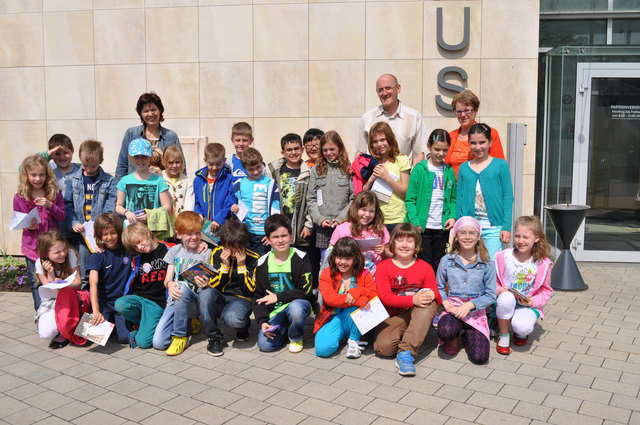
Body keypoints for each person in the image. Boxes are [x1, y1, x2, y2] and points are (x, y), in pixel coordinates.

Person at [374, 223, 441, 376]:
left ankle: (406, 353)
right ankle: (411, 333)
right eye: (400, 240)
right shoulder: (384, 266)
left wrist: (433, 295)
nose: (404, 245)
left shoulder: (424, 267)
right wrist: (412, 300)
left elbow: (437, 294)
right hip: (395, 315)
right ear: (392, 243)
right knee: (384, 348)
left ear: (416, 245)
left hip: (418, 312)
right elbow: (385, 298)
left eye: (409, 241)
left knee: (428, 304)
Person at [437, 217, 496, 365]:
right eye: (462, 233)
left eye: (472, 233)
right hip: (453, 309)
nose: (467, 237)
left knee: (480, 358)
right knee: (446, 331)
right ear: (456, 236)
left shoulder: (486, 262)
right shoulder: (447, 260)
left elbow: (491, 295)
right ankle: (454, 336)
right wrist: (447, 305)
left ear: (478, 237)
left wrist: (469, 305)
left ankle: (467, 333)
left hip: (475, 313)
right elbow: (439, 287)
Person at [254, 214, 314, 353]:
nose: (280, 240)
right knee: (265, 346)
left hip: (297, 305)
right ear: (268, 240)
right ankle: (283, 329)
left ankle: (295, 336)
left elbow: (305, 291)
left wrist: (278, 297)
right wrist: (263, 321)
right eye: (275, 237)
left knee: (296, 310)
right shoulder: (262, 263)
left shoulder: (301, 258)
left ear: (291, 236)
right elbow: (257, 296)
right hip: (275, 311)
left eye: (284, 236)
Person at [495, 216, 553, 355]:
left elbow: (546, 290)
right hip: (506, 300)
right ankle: (504, 335)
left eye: (526, 237)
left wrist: (532, 302)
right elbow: (493, 282)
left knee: (522, 327)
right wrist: (499, 289)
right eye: (517, 236)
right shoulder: (503, 257)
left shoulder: (542, 263)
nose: (521, 241)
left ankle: (519, 331)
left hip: (526, 303)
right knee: (506, 297)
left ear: (537, 238)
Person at [14, 155, 66, 311]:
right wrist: (28, 226)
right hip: (32, 247)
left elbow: (62, 216)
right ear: (26, 175)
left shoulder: (54, 193)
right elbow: (19, 220)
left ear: (47, 174)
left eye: (41, 174)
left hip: (52, 247)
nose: (38, 179)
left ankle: (57, 312)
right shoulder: (21, 196)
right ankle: (41, 313)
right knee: (35, 281)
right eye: (34, 175)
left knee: (55, 279)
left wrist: (50, 204)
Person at [456, 123, 514, 259]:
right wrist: (459, 225)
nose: (478, 147)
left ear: (490, 142)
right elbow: (459, 197)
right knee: (469, 264)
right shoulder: (464, 167)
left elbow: (507, 196)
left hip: (493, 228)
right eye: (473, 143)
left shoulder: (501, 165)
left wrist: (506, 226)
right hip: (469, 229)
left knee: (490, 264)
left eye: (482, 142)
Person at [64, 140, 117, 288]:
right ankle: (86, 305)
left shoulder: (109, 181)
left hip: (101, 233)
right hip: (81, 235)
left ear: (101, 161)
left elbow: (110, 206)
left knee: (104, 270)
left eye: (92, 166)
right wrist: (73, 222)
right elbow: (67, 205)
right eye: (84, 165)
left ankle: (101, 304)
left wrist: (99, 226)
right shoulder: (72, 179)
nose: (88, 169)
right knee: (85, 271)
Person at [314, 237, 378, 359]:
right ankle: (341, 336)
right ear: (334, 257)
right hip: (333, 317)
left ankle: (354, 340)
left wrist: (358, 291)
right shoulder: (327, 273)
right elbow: (330, 299)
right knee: (322, 349)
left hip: (356, 319)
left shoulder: (364, 274)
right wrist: (358, 300)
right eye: (339, 257)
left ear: (356, 258)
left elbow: (375, 296)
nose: (342, 262)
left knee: (355, 308)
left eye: (348, 258)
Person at [205, 219, 260, 356]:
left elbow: (250, 291)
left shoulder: (254, 258)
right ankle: (214, 337)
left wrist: (241, 266)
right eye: (230, 249)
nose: (234, 254)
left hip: (241, 298)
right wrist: (225, 266)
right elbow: (214, 285)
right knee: (204, 293)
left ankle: (243, 325)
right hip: (220, 295)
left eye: (238, 250)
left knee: (233, 318)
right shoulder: (217, 253)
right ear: (223, 245)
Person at [162, 212, 213, 356]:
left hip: (196, 298)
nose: (194, 237)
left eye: (197, 233)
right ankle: (190, 322)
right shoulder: (174, 251)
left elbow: (211, 281)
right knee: (159, 342)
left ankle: (180, 335)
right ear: (179, 235)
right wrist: (170, 284)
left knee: (183, 289)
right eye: (189, 234)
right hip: (176, 298)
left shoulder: (206, 251)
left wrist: (206, 282)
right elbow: (167, 279)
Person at [405, 129, 457, 272]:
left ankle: (436, 291)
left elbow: (453, 198)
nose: (440, 153)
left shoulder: (449, 171)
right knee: (424, 263)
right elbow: (410, 200)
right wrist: (415, 222)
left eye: (445, 150)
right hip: (423, 227)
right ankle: (425, 291)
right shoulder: (419, 169)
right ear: (429, 146)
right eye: (437, 149)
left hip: (441, 227)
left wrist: (452, 216)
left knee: (439, 263)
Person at [115, 222, 170, 348]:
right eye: (135, 246)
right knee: (121, 304)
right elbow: (114, 250)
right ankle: (145, 322)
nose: (140, 247)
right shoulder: (136, 256)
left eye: (140, 241)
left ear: (148, 233)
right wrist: (100, 247)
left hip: (156, 303)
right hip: (139, 298)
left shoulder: (168, 249)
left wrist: (202, 243)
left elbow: (186, 249)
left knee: (143, 343)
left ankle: (154, 323)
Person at [355, 74, 426, 166]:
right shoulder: (367, 118)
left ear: (398, 88)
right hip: (374, 177)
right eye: (380, 90)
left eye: (388, 88)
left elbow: (418, 154)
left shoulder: (414, 117)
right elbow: (360, 153)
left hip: (403, 178)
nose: (384, 93)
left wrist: (413, 179)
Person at [307, 131, 354, 263]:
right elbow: (311, 198)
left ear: (340, 148)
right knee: (326, 262)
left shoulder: (348, 169)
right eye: (325, 150)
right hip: (323, 226)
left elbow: (353, 198)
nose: (329, 153)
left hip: (343, 225)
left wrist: (341, 218)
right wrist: (319, 219)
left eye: (332, 149)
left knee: (345, 260)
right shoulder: (317, 169)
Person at [33, 230, 84, 349]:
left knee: (65, 321)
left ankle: (65, 330)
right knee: (46, 333)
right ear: (46, 254)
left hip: (71, 296)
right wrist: (50, 274)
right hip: (53, 299)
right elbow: (53, 293)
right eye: (57, 252)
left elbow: (78, 283)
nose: (63, 254)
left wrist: (63, 284)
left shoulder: (70, 254)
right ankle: (59, 326)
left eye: (64, 249)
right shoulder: (39, 264)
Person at [116, 92, 183, 181]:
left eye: (153, 109)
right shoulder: (131, 134)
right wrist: (120, 191)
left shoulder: (171, 136)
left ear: (160, 111)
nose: (150, 114)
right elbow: (122, 167)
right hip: (136, 189)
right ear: (141, 114)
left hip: (165, 190)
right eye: (146, 111)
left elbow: (182, 166)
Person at [87, 213, 131, 344]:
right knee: (96, 337)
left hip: (121, 301)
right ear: (99, 236)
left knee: (124, 339)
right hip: (104, 302)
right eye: (105, 234)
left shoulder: (127, 248)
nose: (110, 237)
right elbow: (92, 284)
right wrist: (96, 311)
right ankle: (110, 322)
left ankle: (118, 324)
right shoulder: (98, 256)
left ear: (119, 231)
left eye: (113, 233)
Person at [361, 122, 411, 233]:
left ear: (390, 139)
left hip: (397, 218)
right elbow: (362, 194)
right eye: (375, 141)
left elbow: (405, 192)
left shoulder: (401, 160)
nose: (379, 144)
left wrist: (387, 177)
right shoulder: (369, 162)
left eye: (383, 140)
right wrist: (371, 179)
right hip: (375, 219)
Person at [266, 133, 312, 249]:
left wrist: (309, 225)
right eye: (289, 150)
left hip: (301, 228)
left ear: (302, 149)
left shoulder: (308, 173)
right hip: (280, 226)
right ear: (283, 152)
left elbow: (312, 200)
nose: (293, 152)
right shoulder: (273, 171)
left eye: (296, 148)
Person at [231, 147, 280, 256]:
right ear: (244, 168)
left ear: (262, 163)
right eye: (251, 169)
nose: (256, 171)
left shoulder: (271, 183)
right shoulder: (239, 184)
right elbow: (235, 206)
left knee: (261, 267)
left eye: (258, 167)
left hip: (263, 235)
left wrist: (272, 233)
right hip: (245, 233)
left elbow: (276, 209)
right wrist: (233, 209)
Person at [329, 190, 390, 277]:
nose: (367, 214)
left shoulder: (381, 229)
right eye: (363, 210)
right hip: (348, 278)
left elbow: (390, 255)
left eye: (371, 211)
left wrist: (384, 252)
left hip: (374, 278)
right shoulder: (342, 229)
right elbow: (330, 253)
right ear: (355, 209)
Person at [445, 90, 505, 178]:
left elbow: (500, 167)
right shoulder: (450, 136)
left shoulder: (491, 133)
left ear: (476, 110)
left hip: (482, 187)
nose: (463, 115)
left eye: (467, 110)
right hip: (455, 189)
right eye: (459, 112)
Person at [115, 138, 173, 225]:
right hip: (132, 230)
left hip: (153, 229)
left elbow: (167, 207)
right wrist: (126, 212)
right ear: (131, 158)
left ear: (150, 157)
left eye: (144, 157)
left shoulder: (159, 181)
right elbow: (118, 206)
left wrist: (150, 215)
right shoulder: (124, 181)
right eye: (136, 157)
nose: (140, 160)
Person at [193, 142, 234, 233]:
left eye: (218, 164)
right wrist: (198, 213)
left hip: (223, 226)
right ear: (205, 160)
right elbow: (196, 202)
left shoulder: (228, 179)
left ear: (224, 161)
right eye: (211, 164)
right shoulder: (198, 180)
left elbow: (230, 202)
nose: (214, 168)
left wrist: (219, 219)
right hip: (204, 226)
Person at [161, 145, 194, 223]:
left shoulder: (187, 181)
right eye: (171, 162)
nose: (174, 166)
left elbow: (189, 205)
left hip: (181, 223)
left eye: (177, 162)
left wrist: (186, 222)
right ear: (163, 162)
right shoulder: (159, 179)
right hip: (163, 223)